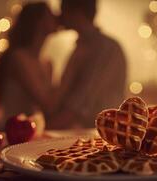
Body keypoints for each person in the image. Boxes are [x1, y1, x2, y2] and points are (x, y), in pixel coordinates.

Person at [46, 0, 127, 129]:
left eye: (63, 10)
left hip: (99, 134)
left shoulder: (103, 48)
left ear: (76, 12)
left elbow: (81, 103)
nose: (60, 16)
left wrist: (45, 129)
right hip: (86, 131)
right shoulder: (85, 47)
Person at [0, 2, 57, 126]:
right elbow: (47, 103)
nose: (56, 17)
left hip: (35, 130)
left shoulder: (47, 63)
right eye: (50, 14)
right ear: (38, 22)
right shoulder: (18, 58)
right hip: (14, 132)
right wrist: (73, 67)